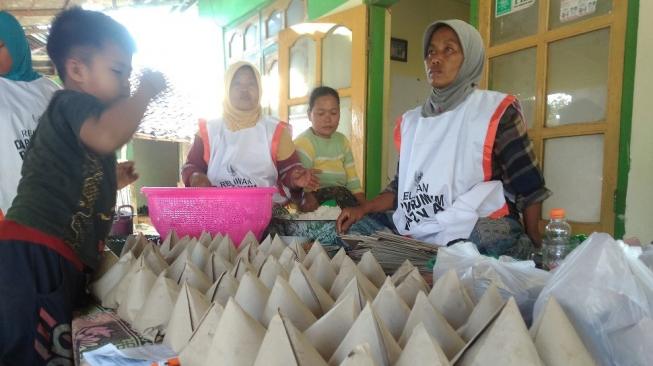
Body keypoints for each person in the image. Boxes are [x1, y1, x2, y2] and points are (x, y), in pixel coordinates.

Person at [0, 8, 165, 365]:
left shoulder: (85, 122)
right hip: (33, 252)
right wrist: (145, 92)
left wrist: (113, 179)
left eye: (130, 75)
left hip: (56, 256)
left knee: (49, 349)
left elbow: (76, 178)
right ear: (76, 70)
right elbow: (107, 134)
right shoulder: (70, 104)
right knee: (26, 352)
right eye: (118, 72)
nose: (125, 84)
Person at [337, 19, 550, 258]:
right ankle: (432, 261)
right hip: (420, 224)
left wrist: (534, 237)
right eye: (431, 51)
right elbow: (401, 187)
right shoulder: (412, 121)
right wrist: (364, 208)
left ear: (469, 58)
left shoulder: (494, 111)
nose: (436, 59)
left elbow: (529, 184)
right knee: (354, 229)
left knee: (491, 239)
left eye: (449, 50)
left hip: (473, 225)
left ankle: (425, 260)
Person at [181, 61, 318, 203]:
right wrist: (195, 176)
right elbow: (190, 166)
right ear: (227, 89)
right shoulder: (208, 131)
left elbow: (289, 170)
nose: (244, 90)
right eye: (237, 84)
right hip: (218, 211)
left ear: (260, 89)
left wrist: (295, 178)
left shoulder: (275, 130)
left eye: (251, 84)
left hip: (267, 213)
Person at [0, 11, 60, 218]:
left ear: (16, 43)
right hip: (8, 211)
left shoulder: (50, 90)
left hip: (55, 208)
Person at [294, 86, 365, 211]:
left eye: (333, 113)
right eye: (321, 113)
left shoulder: (342, 141)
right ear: (309, 115)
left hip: (342, 199)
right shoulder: (304, 143)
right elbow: (302, 187)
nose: (328, 119)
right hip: (314, 200)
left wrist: (364, 208)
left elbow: (353, 182)